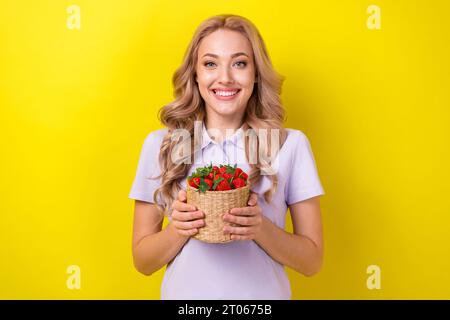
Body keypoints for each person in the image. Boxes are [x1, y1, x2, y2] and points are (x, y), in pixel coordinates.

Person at [128, 14, 325, 300]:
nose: (225, 77)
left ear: (256, 74)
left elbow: (312, 261)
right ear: (194, 74)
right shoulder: (162, 145)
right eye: (210, 64)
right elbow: (143, 262)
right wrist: (180, 230)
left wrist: (260, 228)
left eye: (239, 63)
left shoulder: (290, 145)